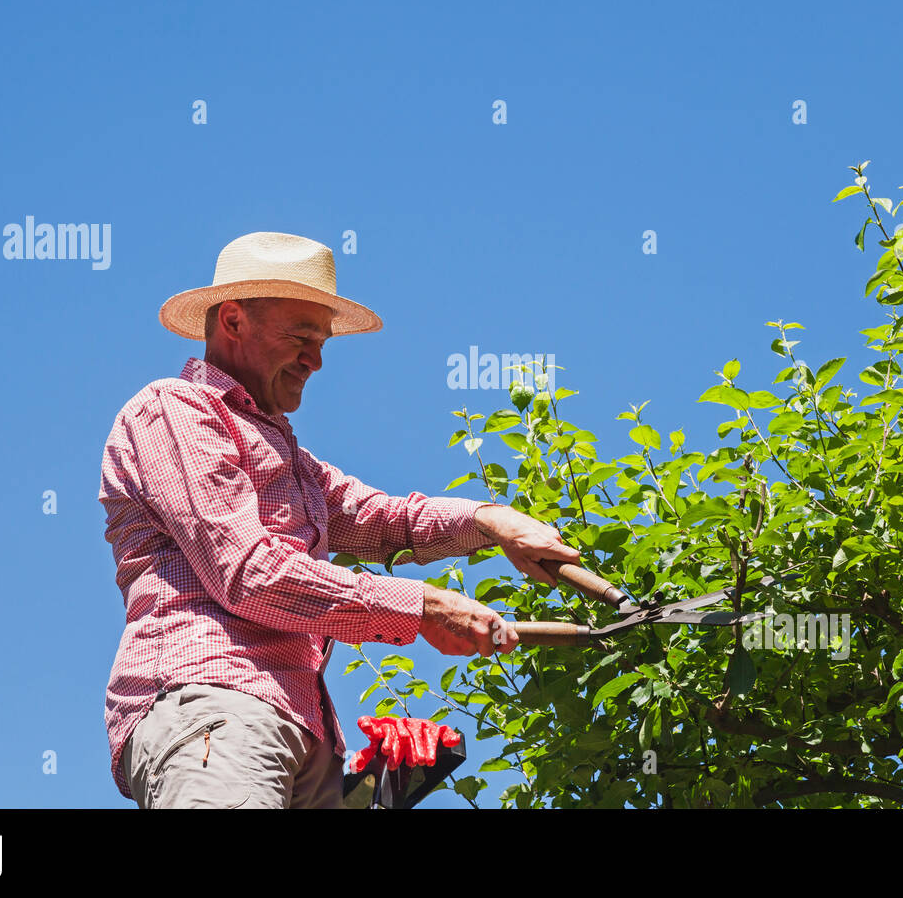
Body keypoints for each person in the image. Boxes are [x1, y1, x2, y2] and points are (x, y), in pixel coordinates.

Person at [97, 231, 580, 808]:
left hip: (304, 729)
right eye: (302, 336)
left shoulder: (292, 461)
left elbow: (386, 522)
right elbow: (250, 573)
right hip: (215, 703)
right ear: (232, 321)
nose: (316, 360)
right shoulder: (174, 411)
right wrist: (423, 607)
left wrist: (493, 520)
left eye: (322, 342)